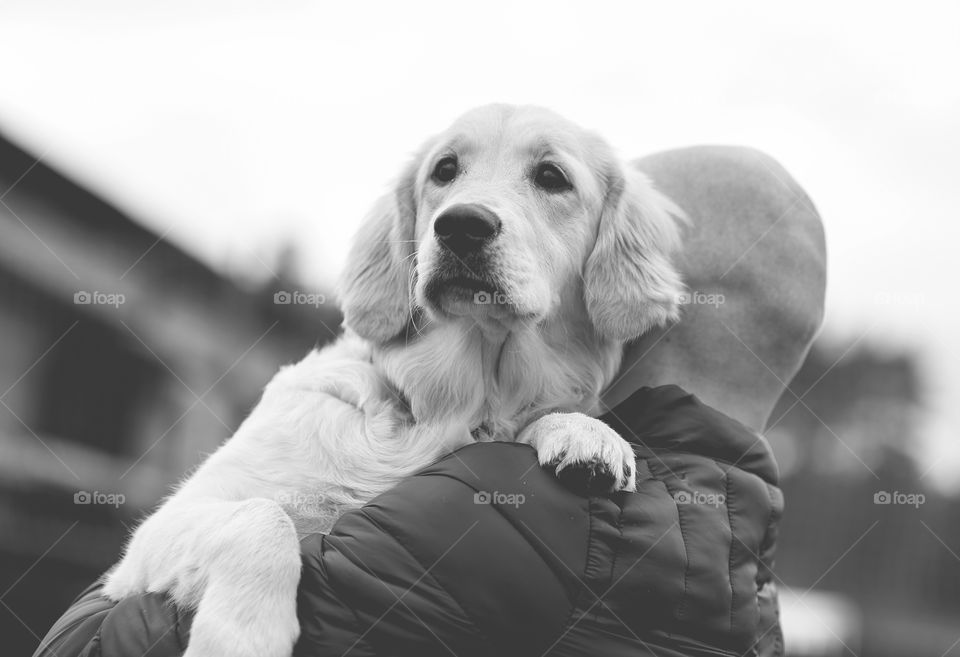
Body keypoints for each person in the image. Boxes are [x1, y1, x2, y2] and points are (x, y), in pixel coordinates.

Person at [33, 145, 826, 657]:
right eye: (446, 172)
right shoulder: (741, 585)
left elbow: (92, 639)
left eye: (551, 179)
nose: (468, 211)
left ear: (617, 275)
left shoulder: (519, 515)